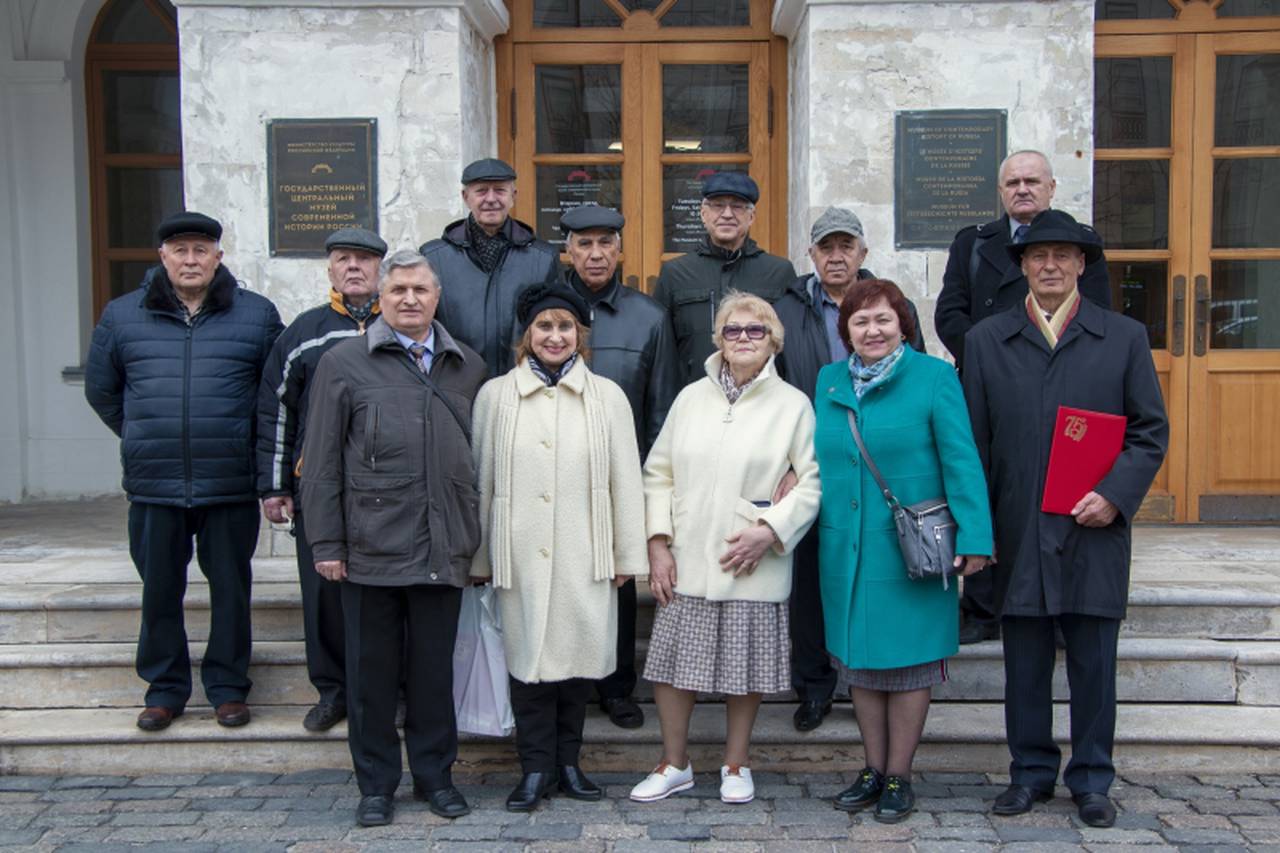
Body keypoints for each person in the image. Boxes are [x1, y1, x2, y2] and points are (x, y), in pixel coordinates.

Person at [962, 209, 1168, 829]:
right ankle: (1028, 773)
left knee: (1093, 664)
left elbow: (1149, 433)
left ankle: (1092, 778)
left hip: (1092, 528)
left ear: (1082, 264)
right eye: (1037, 256)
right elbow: (973, 444)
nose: (1049, 266)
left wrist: (1114, 495)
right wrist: (979, 533)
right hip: (1019, 526)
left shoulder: (1123, 337)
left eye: (1062, 256)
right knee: (1022, 663)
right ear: (1022, 266)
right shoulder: (986, 341)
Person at [299, 249, 487, 828]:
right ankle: (376, 784)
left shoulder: (467, 366)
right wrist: (326, 545)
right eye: (399, 289)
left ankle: (435, 777)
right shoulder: (344, 362)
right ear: (381, 297)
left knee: (433, 675)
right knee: (371, 677)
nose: (410, 299)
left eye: (420, 290)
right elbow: (322, 461)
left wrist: (474, 546)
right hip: (370, 547)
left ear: (436, 298)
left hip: (441, 547)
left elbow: (479, 465)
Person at [85, 211, 283, 732]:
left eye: (201, 250)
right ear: (163, 257)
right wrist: (140, 433)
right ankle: (165, 689)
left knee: (231, 590)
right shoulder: (123, 316)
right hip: (155, 483)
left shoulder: (257, 315)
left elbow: (274, 397)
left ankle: (228, 688)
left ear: (218, 256)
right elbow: (102, 391)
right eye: (180, 250)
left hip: (229, 483)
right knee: (159, 589)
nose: (191, 259)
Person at [812, 278, 993, 823]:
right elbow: (813, 449)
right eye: (860, 321)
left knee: (909, 665)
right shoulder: (827, 379)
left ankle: (900, 775)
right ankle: (871, 768)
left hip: (914, 548)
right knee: (861, 665)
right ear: (846, 330)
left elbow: (962, 458)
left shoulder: (934, 378)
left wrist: (976, 537)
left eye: (883, 320)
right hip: (846, 548)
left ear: (903, 325)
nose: (872, 330)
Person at [631, 292, 821, 806]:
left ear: (773, 341)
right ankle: (675, 763)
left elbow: (811, 483)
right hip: (688, 554)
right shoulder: (691, 398)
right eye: (733, 330)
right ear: (718, 338)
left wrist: (771, 530)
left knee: (744, 669)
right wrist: (657, 543)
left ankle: (736, 762)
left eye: (755, 332)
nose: (743, 339)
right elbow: (658, 473)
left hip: (749, 558)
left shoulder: (793, 405)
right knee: (672, 667)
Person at [471, 283, 647, 812]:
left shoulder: (607, 397)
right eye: (544, 327)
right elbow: (481, 480)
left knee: (578, 663)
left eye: (565, 327)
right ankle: (534, 768)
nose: (555, 336)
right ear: (527, 335)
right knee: (526, 665)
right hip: (519, 553)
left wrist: (626, 555)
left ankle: (569, 763)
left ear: (580, 335)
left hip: (584, 551)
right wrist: (480, 557)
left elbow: (626, 481)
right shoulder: (496, 396)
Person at [935, 149, 1113, 646]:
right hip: (986, 385)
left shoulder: (1081, 245)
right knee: (988, 488)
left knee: (1060, 492)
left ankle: (1059, 604)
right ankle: (984, 604)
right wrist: (992, 358)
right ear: (1000, 190)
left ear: (1052, 187)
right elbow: (950, 312)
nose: (1022, 189)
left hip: (1065, 385)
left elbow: (1098, 311)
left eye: (1032, 181)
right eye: (1012, 182)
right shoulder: (973, 243)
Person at [772, 206, 927, 733]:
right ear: (811, 254)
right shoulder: (787, 308)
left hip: (880, 468)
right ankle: (814, 686)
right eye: (825, 247)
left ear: (863, 252)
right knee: (813, 578)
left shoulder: (890, 304)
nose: (835, 256)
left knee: (874, 575)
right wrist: (788, 462)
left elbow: (916, 380)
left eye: (846, 246)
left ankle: (873, 673)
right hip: (812, 460)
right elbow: (775, 388)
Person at [256, 226, 387, 733]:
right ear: (330, 269)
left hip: (385, 493)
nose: (353, 267)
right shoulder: (304, 333)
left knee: (382, 600)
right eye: (342, 259)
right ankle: (332, 691)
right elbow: (275, 411)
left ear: (381, 269)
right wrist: (274, 486)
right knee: (323, 599)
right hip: (320, 491)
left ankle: (388, 690)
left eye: (364, 259)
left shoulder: (405, 324)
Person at [558, 204, 679, 729]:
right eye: (583, 243)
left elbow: (660, 406)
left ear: (620, 249)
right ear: (568, 251)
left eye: (605, 242)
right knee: (562, 579)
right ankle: (567, 682)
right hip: (556, 473)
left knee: (619, 582)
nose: (595, 253)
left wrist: (653, 485)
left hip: (620, 475)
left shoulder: (647, 315)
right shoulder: (547, 312)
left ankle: (617, 687)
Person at [419, 157, 561, 376]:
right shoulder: (434, 258)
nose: (491, 199)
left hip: (524, 384)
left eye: (500, 191)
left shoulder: (543, 258)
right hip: (455, 383)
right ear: (465, 197)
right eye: (481, 191)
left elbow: (557, 325)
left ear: (514, 196)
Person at [653, 173, 796, 387]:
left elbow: (790, 348)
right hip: (696, 398)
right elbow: (662, 353)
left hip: (762, 399)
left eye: (738, 206)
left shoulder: (778, 272)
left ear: (752, 217)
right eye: (718, 206)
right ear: (703, 214)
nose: (727, 214)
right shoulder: (676, 273)